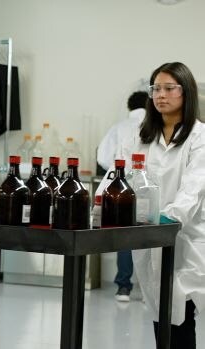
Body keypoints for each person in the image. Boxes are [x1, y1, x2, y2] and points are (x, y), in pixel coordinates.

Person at [116, 62, 204, 348]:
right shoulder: (141, 137)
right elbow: (122, 176)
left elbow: (193, 188)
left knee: (181, 311)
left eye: (169, 88)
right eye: (156, 88)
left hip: (186, 237)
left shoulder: (199, 136)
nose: (160, 95)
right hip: (149, 237)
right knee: (159, 311)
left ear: (186, 92)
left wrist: (168, 219)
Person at [97, 90, 149, 302]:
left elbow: (102, 157)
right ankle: (148, 290)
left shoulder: (119, 127)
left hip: (122, 183)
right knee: (148, 232)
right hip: (148, 184)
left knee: (126, 233)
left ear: (130, 107)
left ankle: (124, 287)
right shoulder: (155, 126)